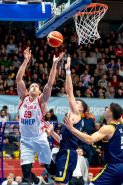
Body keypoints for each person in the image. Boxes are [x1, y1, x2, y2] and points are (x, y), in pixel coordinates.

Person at [16, 47, 64, 184]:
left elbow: (49, 84)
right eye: (32, 86)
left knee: (50, 168)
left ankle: (59, 177)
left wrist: (55, 64)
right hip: (25, 140)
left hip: (39, 138)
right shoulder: (23, 98)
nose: (34, 87)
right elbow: (19, 79)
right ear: (28, 90)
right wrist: (26, 61)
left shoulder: (41, 101)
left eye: (37, 86)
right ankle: (38, 181)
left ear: (39, 91)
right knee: (25, 175)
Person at [63, 103, 123, 185]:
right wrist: (120, 119)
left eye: (107, 108)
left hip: (113, 168)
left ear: (111, 113)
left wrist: (71, 128)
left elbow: (89, 140)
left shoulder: (108, 128)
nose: (105, 109)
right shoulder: (121, 127)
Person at [46, 56, 89, 185]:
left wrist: (68, 71)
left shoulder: (76, 114)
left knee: (59, 183)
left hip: (69, 153)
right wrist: (52, 132)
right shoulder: (70, 120)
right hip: (64, 151)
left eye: (77, 103)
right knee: (58, 183)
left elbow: (69, 92)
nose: (74, 102)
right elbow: (62, 140)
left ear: (81, 109)